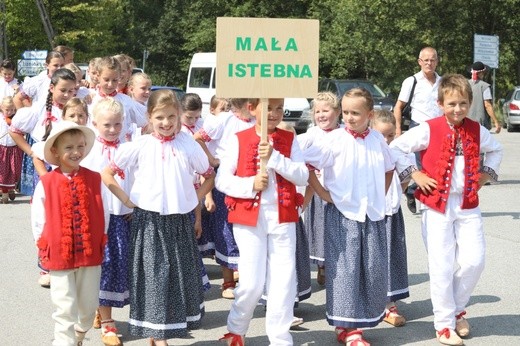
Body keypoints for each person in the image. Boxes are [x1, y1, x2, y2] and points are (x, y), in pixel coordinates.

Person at [390, 74, 503, 346]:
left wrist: (483, 177)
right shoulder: (428, 128)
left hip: (467, 204)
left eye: (463, 103)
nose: (458, 109)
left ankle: (455, 309)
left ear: (470, 103)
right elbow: (396, 147)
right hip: (436, 205)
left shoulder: (477, 130)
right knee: (441, 265)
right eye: (452, 103)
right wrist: (415, 174)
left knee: (475, 260)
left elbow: (496, 150)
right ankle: (444, 325)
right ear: (441, 104)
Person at [101, 89, 214, 346]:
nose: (166, 123)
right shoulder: (140, 145)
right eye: (160, 117)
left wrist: (194, 197)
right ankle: (157, 335)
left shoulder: (188, 144)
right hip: (148, 221)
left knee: (175, 276)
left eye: (172, 116)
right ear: (149, 117)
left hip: (179, 221)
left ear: (179, 116)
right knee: (153, 275)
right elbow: (108, 174)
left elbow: (208, 175)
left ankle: (162, 331)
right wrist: (128, 201)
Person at [304, 88, 395, 346]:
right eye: (345, 112)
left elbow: (389, 168)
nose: (350, 117)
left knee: (370, 270)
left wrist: (380, 193)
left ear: (370, 113)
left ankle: (358, 324)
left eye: (356, 113)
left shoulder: (378, 140)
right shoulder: (334, 140)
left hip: (372, 216)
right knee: (344, 271)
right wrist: (323, 193)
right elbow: (308, 165)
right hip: (343, 215)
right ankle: (346, 328)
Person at [216, 98, 308, 346]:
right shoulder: (238, 138)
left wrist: (276, 158)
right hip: (249, 218)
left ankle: (280, 338)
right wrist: (249, 185)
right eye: (268, 108)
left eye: (279, 108)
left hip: (283, 216)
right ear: (252, 108)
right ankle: (237, 328)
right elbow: (222, 180)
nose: (275, 113)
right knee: (252, 283)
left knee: (284, 280)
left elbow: (302, 174)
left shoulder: (290, 139)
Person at [31, 121, 107, 346]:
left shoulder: (95, 178)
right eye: (69, 147)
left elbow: (105, 212)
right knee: (64, 306)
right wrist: (43, 245)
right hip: (59, 253)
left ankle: (79, 335)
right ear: (55, 151)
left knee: (88, 306)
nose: (76, 152)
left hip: (90, 250)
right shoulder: (46, 183)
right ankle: (64, 342)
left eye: (80, 146)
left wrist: (102, 237)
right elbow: (38, 218)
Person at [193, 98, 256, 299]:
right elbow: (198, 138)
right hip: (227, 177)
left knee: (247, 229)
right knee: (226, 229)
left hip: (250, 178)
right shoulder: (224, 120)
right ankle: (227, 281)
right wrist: (211, 160)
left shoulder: (257, 122)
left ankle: (248, 282)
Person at [81, 98, 131, 346]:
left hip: (123, 217)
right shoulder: (89, 151)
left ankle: (102, 311)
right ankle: (108, 323)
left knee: (119, 267)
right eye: (107, 125)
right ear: (95, 123)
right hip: (99, 220)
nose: (113, 130)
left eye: (118, 124)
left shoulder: (128, 147)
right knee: (104, 267)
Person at [297, 91, 342, 286]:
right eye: (317, 111)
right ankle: (323, 266)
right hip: (316, 189)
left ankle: (335, 264)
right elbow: (296, 153)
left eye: (326, 110)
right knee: (319, 229)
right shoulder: (311, 135)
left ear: (338, 111)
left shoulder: (344, 133)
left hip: (338, 190)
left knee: (338, 231)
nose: (321, 115)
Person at [370, 110, 410, 327]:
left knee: (391, 257)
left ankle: (389, 301)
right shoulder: (369, 152)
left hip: (392, 212)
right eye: (382, 135)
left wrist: (397, 193)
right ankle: (379, 303)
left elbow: (406, 178)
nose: (386, 140)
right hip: (373, 214)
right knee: (375, 258)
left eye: (390, 135)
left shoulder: (397, 153)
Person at [394, 46, 443, 214]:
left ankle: (413, 190)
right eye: (426, 60)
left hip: (438, 129)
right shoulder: (412, 81)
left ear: (437, 61)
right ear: (420, 62)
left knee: (437, 165)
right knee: (424, 166)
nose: (429, 63)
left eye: (432, 60)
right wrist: (398, 130)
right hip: (419, 127)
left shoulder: (442, 82)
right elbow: (398, 107)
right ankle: (429, 202)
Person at [88, 56, 147, 142]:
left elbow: (146, 119)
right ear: (98, 76)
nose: (110, 84)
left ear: (119, 77)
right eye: (106, 79)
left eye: (115, 80)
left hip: (120, 150)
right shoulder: (90, 98)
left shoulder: (126, 101)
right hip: (94, 150)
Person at [467, 61, 501, 133]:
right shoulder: (485, 86)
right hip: (480, 123)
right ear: (481, 73)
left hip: (465, 121)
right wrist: (496, 121)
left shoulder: (465, 84)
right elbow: (487, 105)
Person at [0, 96, 22, 203]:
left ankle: (11, 188)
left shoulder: (16, 118)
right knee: (3, 171)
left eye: (13, 110)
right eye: (7, 110)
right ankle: (4, 193)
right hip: (2, 148)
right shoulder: (0, 119)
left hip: (14, 148)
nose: (10, 112)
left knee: (14, 170)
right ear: (1, 109)